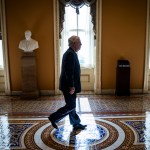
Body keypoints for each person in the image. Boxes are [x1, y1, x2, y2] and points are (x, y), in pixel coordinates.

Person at [48, 35, 87, 130]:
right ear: (74, 43)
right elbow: (69, 72)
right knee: (71, 105)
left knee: (71, 105)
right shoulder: (70, 54)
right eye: (79, 43)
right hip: (68, 86)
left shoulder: (71, 53)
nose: (81, 44)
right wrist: (71, 86)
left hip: (68, 85)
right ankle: (53, 117)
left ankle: (76, 123)